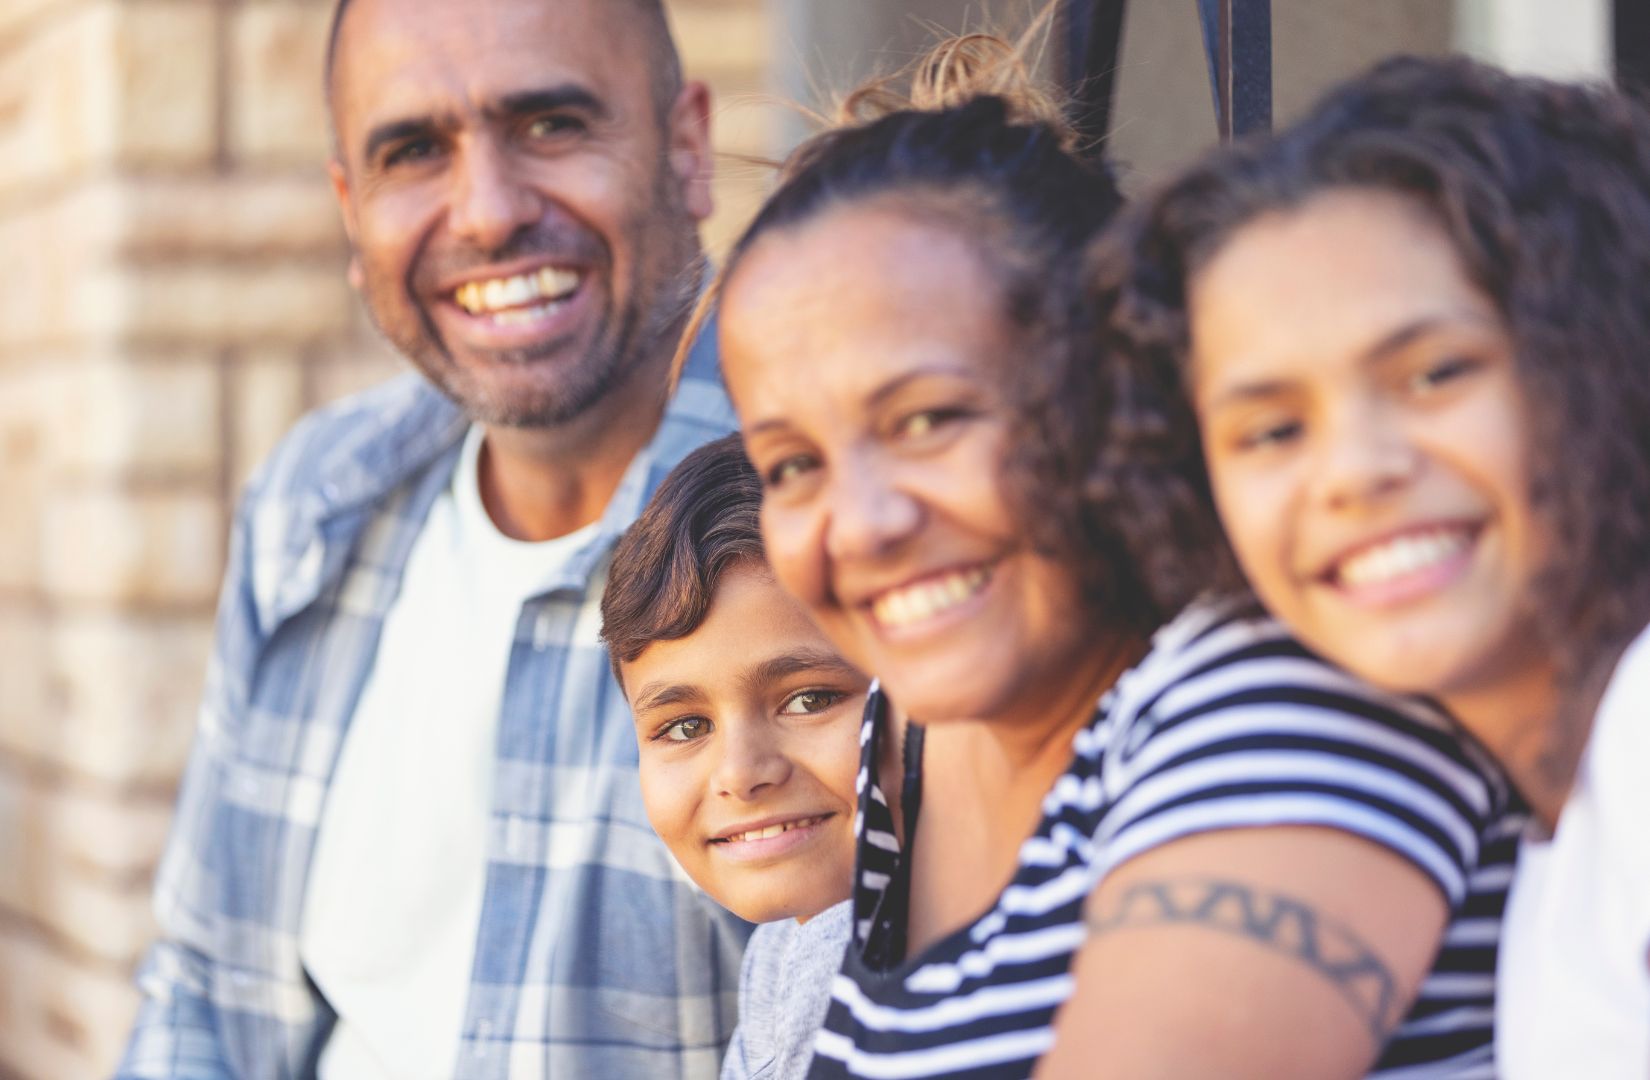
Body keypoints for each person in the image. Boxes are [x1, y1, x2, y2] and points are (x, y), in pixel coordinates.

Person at [701, 30, 1524, 1080]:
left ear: (1115, 395)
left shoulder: (1278, 700)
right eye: (791, 463)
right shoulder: (904, 741)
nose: (859, 524)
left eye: (929, 420)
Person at [116, 0, 749, 1076]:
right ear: (350, 212)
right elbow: (205, 993)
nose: (490, 212)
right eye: (413, 150)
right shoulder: (314, 505)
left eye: (551, 124)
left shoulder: (824, 527)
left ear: (687, 147)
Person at [1091, 55, 1650, 1079]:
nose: (1354, 473)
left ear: (1607, 350)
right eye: (1269, 430)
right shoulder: (1559, 836)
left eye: (1436, 374)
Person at [601, 434, 871, 1080]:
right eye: (686, 725)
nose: (742, 775)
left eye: (809, 700)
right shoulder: (781, 955)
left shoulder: (897, 970)